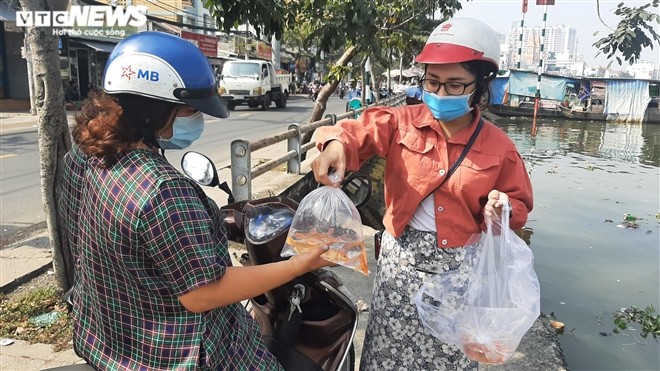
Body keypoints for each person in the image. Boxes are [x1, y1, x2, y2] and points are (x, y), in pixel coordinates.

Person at [58, 31, 333, 370]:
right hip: (178, 354)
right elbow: (204, 292)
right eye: (189, 109)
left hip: (109, 340)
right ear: (154, 110)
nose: (196, 119)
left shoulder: (84, 158)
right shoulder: (163, 190)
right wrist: (300, 264)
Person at [310, 18, 533, 370]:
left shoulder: (500, 148)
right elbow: (357, 130)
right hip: (400, 267)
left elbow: (518, 205)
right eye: (433, 82)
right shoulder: (401, 122)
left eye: (455, 85)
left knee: (448, 359)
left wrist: (502, 209)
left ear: (480, 86)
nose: (441, 94)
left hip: (460, 276)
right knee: (387, 355)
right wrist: (336, 144)